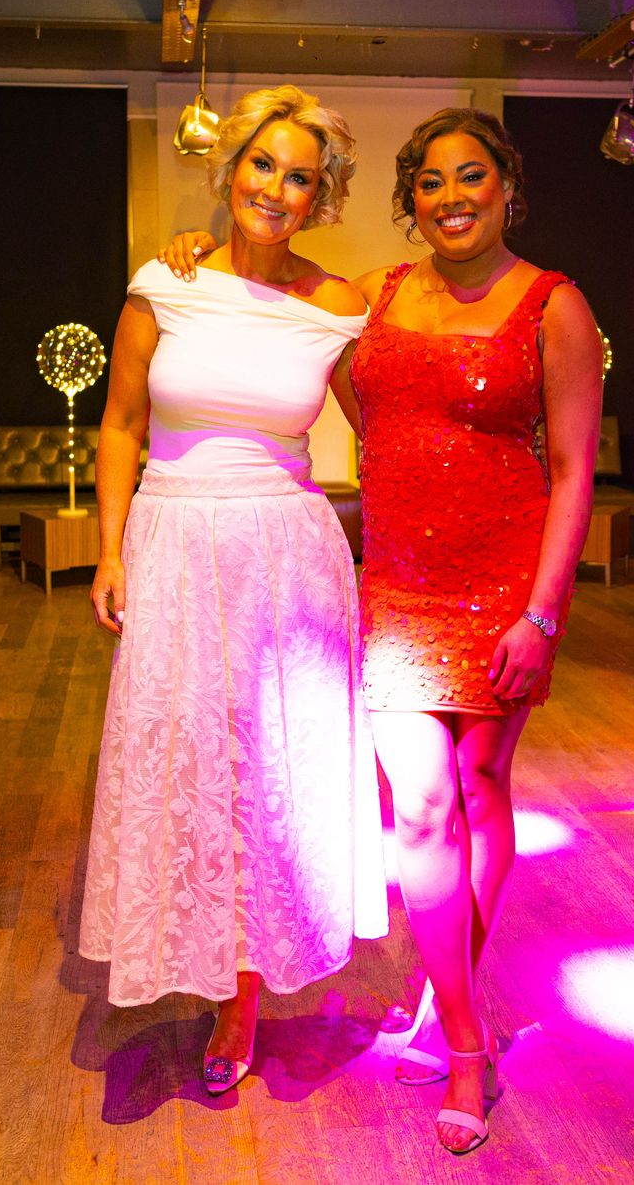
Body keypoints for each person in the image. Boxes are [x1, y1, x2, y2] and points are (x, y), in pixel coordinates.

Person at [163, 107, 606, 1154]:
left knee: (484, 789)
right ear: (410, 202)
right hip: (398, 583)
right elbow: (272, 303)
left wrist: (542, 612)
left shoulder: (553, 305)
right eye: (430, 183)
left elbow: (575, 469)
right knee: (415, 812)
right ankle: (462, 1038)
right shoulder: (377, 298)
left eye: (471, 178)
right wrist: (197, 257)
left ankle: (446, 984)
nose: (450, 198)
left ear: (506, 188)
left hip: (504, 579)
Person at [79, 85, 386, 1099]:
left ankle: (240, 995)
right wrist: (109, 550)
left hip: (286, 558)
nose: (276, 188)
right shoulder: (162, 283)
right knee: (178, 754)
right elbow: (120, 425)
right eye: (263, 165)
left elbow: (385, 436)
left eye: (300, 176)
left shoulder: (340, 306)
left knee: (267, 774)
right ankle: (182, 954)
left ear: (320, 197)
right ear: (230, 170)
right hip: (171, 543)